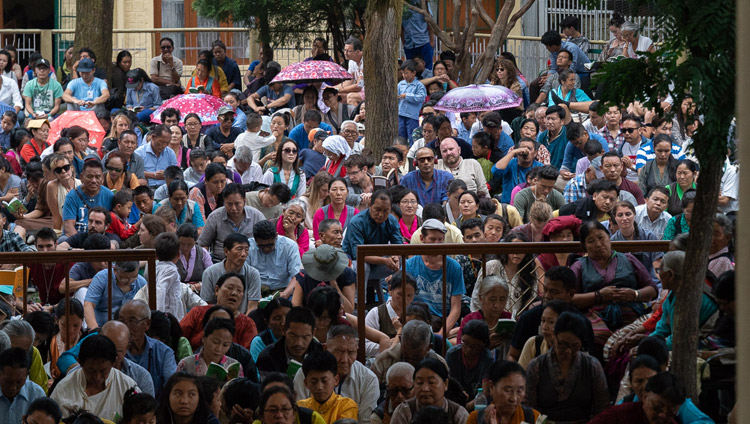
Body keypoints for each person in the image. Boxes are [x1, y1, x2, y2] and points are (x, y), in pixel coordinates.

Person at [570, 220, 658, 331]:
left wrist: (635, 294)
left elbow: (652, 289)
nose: (598, 244)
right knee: (597, 336)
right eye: (591, 241)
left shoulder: (628, 259)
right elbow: (570, 298)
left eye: (601, 237)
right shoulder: (579, 266)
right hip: (594, 319)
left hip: (632, 316)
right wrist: (598, 296)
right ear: (584, 246)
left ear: (609, 237)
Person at [525, 311, 608, 422]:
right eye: (562, 344)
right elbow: (529, 409)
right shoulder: (537, 366)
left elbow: (602, 409)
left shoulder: (592, 366)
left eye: (575, 346)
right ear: (554, 336)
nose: (568, 351)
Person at [51, 335, 138, 421]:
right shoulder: (63, 390)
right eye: (91, 370)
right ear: (80, 363)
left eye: (103, 371)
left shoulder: (127, 387)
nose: (97, 377)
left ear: (113, 363)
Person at [390, 358, 469, 424]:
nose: (425, 389)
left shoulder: (458, 414)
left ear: (445, 384)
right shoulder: (404, 411)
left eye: (432, 382)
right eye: (419, 383)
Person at [371, 318, 449, 384]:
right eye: (407, 354)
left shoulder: (439, 364)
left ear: (429, 347)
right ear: (400, 340)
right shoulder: (383, 362)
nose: (411, 360)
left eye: (416, 357)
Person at [590, 372, 683, 424]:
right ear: (645, 397)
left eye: (670, 413)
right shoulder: (618, 416)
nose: (662, 415)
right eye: (657, 407)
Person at [256, 306, 323, 376]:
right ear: (284, 330)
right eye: (293, 336)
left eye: (305, 337)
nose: (299, 343)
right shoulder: (268, 358)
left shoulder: (320, 354)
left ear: (313, 333)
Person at [466, 361, 540, 424]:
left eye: (519, 391)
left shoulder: (533, 418)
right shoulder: (475, 419)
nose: (514, 399)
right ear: (491, 387)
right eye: (508, 390)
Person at [296, 350, 358, 422]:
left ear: (336, 380)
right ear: (306, 383)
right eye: (313, 382)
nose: (319, 387)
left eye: (324, 381)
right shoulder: (300, 407)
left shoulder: (347, 406)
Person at [247, 220, 302, 298]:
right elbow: (244, 275)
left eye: (270, 245)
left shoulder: (289, 246)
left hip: (282, 289)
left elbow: (296, 277)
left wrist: (286, 293)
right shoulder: (247, 247)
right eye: (261, 246)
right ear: (255, 240)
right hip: (255, 290)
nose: (266, 249)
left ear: (276, 236)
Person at [177, 317, 244, 379]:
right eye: (215, 342)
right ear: (204, 338)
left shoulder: (235, 367)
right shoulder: (185, 364)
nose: (219, 349)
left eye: (225, 345)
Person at [446, 319, 493, 399]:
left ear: (483, 345)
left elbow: (485, 393)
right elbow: (448, 385)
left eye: (475, 346)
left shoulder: (487, 358)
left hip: (478, 403)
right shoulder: (452, 355)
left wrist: (468, 406)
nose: (468, 350)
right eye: (465, 343)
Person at [0, 347, 46, 424]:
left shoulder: (36, 394)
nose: (13, 387)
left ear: (27, 374)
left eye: (19, 382)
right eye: (8, 381)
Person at [250, 297, 292, 361]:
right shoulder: (259, 341)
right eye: (277, 318)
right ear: (267, 322)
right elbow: (257, 370)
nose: (284, 323)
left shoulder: (302, 336)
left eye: (288, 317)